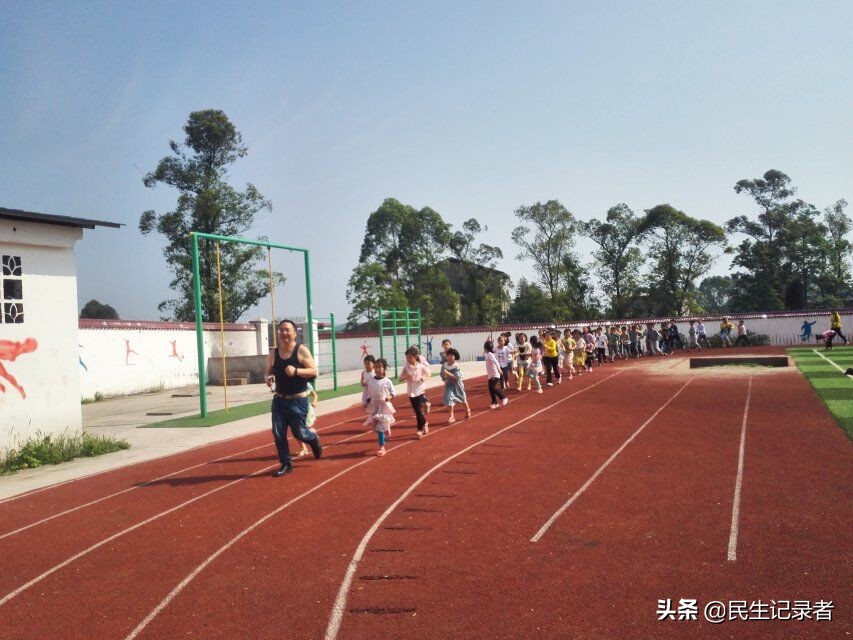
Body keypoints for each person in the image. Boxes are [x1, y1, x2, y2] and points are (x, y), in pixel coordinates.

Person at [264, 319, 323, 477]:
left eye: (287, 330)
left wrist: (296, 371)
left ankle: (314, 440)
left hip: (298, 401)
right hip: (279, 401)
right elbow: (267, 372)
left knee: (300, 434)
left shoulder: (301, 350)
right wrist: (268, 378)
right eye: (281, 330)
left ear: (295, 333)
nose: (284, 333)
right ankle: (286, 464)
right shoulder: (273, 353)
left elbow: (314, 371)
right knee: (278, 433)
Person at [364, 358, 396, 456]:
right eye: (376, 367)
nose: (377, 369)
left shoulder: (387, 381)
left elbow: (393, 393)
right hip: (374, 406)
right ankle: (386, 427)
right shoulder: (371, 380)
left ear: (384, 369)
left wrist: (388, 398)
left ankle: (382, 447)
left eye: (380, 367)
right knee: (375, 427)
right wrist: (368, 400)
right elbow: (369, 393)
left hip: (384, 406)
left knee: (380, 428)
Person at [399, 346, 431, 438]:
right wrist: (406, 377)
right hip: (411, 392)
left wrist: (423, 378)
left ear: (415, 356)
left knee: (417, 411)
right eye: (407, 358)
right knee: (417, 411)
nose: (408, 359)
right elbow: (400, 379)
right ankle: (425, 423)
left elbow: (429, 373)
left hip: (420, 391)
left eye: (410, 357)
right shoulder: (406, 367)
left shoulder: (421, 367)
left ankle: (419, 429)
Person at [441, 348, 471, 422]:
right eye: (448, 355)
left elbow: (457, 378)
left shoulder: (456, 366)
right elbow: (442, 373)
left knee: (463, 399)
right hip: (449, 385)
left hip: (457, 385)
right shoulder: (445, 364)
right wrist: (444, 378)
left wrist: (448, 374)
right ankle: (451, 416)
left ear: (455, 356)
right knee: (449, 399)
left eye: (452, 356)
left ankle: (467, 410)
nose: (450, 357)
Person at [295, 381, 320, 458]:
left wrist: (315, 401)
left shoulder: (307, 384)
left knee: (300, 430)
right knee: (295, 430)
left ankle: (312, 433)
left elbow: (315, 395)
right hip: (294, 409)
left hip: (306, 410)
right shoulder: (290, 384)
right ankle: (303, 448)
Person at [484, 340, 508, 408]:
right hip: (490, 375)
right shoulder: (488, 354)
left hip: (494, 374)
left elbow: (495, 362)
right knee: (491, 389)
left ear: (486, 348)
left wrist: (499, 369)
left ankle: (503, 397)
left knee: (493, 388)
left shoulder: (490, 354)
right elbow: (484, 354)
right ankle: (494, 402)